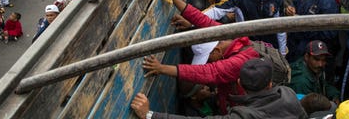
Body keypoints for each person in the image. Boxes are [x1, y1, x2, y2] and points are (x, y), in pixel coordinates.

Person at [132, 58, 308, 119]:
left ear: (239, 83)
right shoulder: (289, 95)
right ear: (270, 83)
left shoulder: (245, 115)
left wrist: (150, 114)